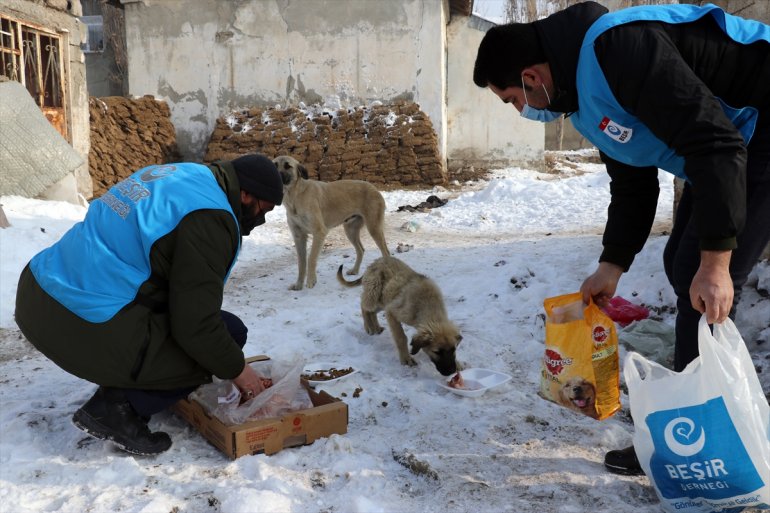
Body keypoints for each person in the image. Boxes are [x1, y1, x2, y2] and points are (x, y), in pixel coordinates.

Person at [473, 2, 770, 475]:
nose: (519, 109)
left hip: (754, 131)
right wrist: (611, 264)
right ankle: (694, 427)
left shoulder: (617, 50)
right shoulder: (584, 96)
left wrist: (716, 265)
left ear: (531, 77)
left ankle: (699, 440)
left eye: (512, 99)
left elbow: (716, 144)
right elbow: (632, 181)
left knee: (702, 275)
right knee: (681, 265)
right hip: (725, 146)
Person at [14, 153, 285, 455]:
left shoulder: (184, 176)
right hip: (81, 318)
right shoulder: (211, 218)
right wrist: (242, 374)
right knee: (228, 336)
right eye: (263, 210)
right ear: (245, 194)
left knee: (217, 331)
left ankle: (136, 383)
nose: (260, 220)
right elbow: (196, 327)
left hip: (40, 292)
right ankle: (118, 408)